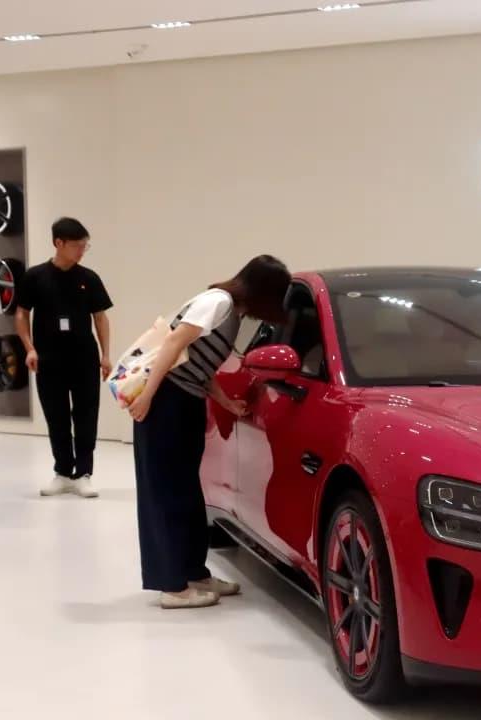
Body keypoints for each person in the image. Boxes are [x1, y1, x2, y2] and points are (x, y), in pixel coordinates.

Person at [129, 255, 290, 609]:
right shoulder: (217, 303)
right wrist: (148, 395)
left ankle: (194, 572)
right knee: (165, 491)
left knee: (187, 490)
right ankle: (172, 586)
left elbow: (199, 365)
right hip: (166, 400)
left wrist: (226, 403)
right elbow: (173, 344)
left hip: (185, 401)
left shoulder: (233, 314)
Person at [16, 218, 113, 498]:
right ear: (58, 243)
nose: (82, 251)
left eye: (85, 246)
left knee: (86, 416)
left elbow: (100, 318)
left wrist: (106, 355)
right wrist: (29, 348)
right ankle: (62, 472)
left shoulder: (89, 278)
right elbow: (22, 314)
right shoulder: (35, 277)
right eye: (77, 245)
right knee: (56, 417)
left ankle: (83, 473)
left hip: (84, 358)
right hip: (48, 359)